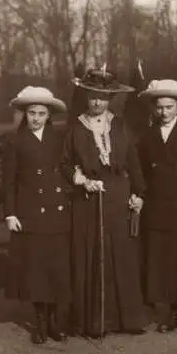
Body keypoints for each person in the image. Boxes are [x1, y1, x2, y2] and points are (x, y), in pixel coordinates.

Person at [60, 68, 147, 338]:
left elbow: (133, 161)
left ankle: (128, 319)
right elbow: (64, 164)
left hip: (119, 196)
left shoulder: (120, 126)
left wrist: (139, 193)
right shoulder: (75, 129)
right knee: (92, 253)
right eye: (93, 97)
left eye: (103, 97)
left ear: (111, 98)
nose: (97, 102)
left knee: (121, 254)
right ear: (86, 97)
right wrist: (82, 180)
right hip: (89, 198)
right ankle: (95, 322)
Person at [3, 86, 72, 344]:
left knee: (56, 269)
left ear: (49, 115)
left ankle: (54, 320)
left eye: (41, 113)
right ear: (25, 113)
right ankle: (41, 320)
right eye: (31, 113)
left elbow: (67, 169)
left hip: (57, 211)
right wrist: (10, 212)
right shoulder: (14, 141)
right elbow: (8, 181)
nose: (36, 118)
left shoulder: (59, 138)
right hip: (31, 213)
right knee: (37, 270)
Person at [138, 79, 177, 334]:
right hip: (157, 205)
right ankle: (171, 312)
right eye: (160, 107)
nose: (164, 112)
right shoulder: (147, 135)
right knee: (163, 260)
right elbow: (139, 169)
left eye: (169, 107)